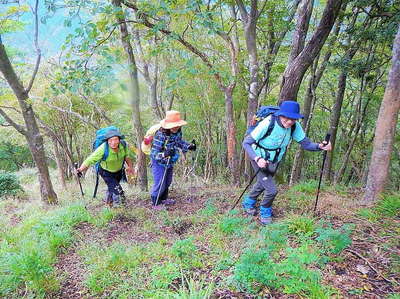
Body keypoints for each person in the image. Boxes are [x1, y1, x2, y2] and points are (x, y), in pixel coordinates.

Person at [242, 100, 332, 225]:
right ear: (280, 114)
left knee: (263, 183)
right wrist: (257, 159)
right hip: (258, 158)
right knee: (271, 190)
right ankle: (265, 212)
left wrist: (320, 146)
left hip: (275, 160)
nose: (289, 121)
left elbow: (306, 144)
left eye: (293, 119)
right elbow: (246, 143)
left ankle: (248, 202)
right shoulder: (268, 123)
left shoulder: (294, 126)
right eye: (286, 117)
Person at [76, 128, 134, 207]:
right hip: (106, 173)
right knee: (118, 190)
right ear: (107, 141)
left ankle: (108, 203)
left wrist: (130, 167)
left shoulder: (123, 145)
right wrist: (80, 169)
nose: (113, 142)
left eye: (115, 139)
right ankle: (120, 208)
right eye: (110, 140)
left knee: (112, 187)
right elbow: (89, 160)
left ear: (119, 140)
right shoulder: (103, 149)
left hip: (119, 171)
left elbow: (127, 157)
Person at [150, 110, 196, 210]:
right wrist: (164, 154)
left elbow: (179, 142)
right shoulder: (161, 135)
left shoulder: (178, 131)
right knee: (160, 182)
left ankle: (163, 199)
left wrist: (189, 146)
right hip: (158, 163)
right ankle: (155, 203)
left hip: (170, 161)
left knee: (167, 181)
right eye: (173, 125)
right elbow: (153, 153)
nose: (176, 127)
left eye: (177, 125)